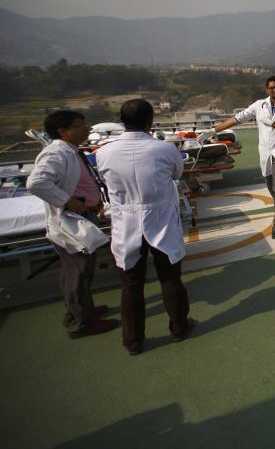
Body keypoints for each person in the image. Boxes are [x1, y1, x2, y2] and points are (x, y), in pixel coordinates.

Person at [96, 99, 193, 355]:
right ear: (150, 121)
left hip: (126, 222)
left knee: (131, 283)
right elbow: (176, 174)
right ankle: (179, 327)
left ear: (122, 121)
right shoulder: (164, 149)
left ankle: (133, 340)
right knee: (170, 278)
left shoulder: (104, 152)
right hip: (160, 219)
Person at [26, 110, 119, 338]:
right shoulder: (56, 154)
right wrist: (68, 201)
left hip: (82, 215)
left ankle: (78, 310)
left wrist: (93, 200)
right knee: (78, 270)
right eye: (80, 126)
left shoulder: (69, 151)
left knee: (77, 269)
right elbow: (36, 183)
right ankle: (83, 323)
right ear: (63, 131)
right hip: (71, 220)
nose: (86, 129)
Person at [205, 76, 275, 240]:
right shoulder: (259, 105)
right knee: (270, 184)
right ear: (266, 90)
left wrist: (272, 123)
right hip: (265, 152)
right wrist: (215, 130)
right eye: (271, 88)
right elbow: (237, 118)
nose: (274, 90)